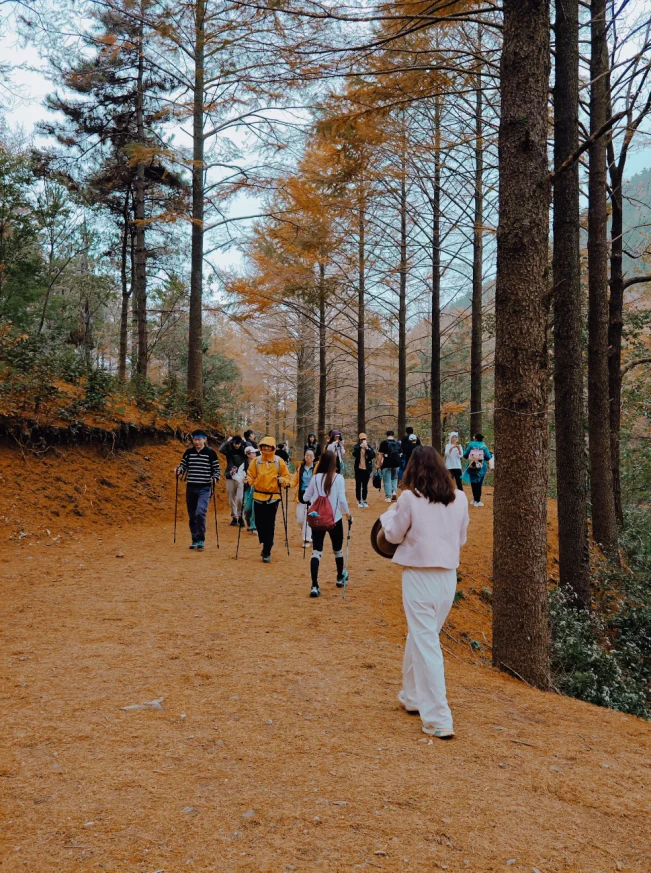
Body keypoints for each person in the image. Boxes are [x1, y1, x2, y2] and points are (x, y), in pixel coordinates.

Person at [380, 445, 469, 738]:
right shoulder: (459, 499)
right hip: (447, 578)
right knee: (421, 636)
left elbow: (392, 535)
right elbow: (462, 539)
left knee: (426, 641)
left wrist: (387, 515)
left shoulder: (409, 498)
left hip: (419, 576)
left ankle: (439, 718)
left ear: (413, 469)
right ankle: (412, 696)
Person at [303, 450, 352, 598]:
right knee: (338, 550)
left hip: (317, 518)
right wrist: (348, 514)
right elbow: (342, 499)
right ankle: (339, 577)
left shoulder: (315, 478)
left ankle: (314, 585)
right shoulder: (338, 478)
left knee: (316, 551)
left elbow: (306, 497)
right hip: (334, 519)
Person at [246, 436, 291, 562]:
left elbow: (287, 477)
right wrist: (248, 481)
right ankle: (265, 541)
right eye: (264, 446)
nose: (266, 448)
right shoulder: (256, 461)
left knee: (269, 523)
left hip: (273, 497)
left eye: (268, 446)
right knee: (259, 523)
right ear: (260, 447)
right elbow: (251, 475)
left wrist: (282, 480)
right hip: (258, 496)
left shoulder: (279, 461)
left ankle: (267, 550)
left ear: (273, 447)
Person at [176, 429, 221, 550]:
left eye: (199, 439)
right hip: (191, 485)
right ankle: (194, 539)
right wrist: (179, 470)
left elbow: (217, 470)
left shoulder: (211, 453)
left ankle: (201, 538)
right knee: (192, 514)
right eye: (195, 439)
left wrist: (215, 478)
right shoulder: (188, 452)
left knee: (200, 512)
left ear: (205, 439)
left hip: (205, 487)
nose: (197, 442)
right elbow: (183, 466)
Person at [219, 434, 247, 526]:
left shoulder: (243, 451)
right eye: (235, 443)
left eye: (238, 443)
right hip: (230, 476)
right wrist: (227, 441)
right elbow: (220, 449)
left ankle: (240, 516)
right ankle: (234, 517)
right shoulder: (229, 450)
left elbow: (251, 450)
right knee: (231, 499)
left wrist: (245, 441)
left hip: (241, 477)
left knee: (240, 498)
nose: (236, 445)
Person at [291, 447, 316, 545]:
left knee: (308, 518)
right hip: (301, 495)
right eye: (306, 455)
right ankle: (308, 532)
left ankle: (306, 540)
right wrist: (288, 484)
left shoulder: (316, 468)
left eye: (310, 456)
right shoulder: (300, 468)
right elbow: (295, 480)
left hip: (312, 495)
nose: (308, 457)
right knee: (300, 519)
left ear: (314, 458)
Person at [463, 433, 493, 507]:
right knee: (479, 484)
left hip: (472, 466)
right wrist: (491, 453)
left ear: (475, 438)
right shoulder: (484, 447)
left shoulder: (470, 445)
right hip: (481, 468)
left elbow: (465, 455)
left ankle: (474, 499)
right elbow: (488, 457)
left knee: (473, 483)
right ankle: (478, 500)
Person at [234, 445, 259, 533]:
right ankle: (248, 522)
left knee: (255, 506)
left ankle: (253, 525)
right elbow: (236, 475)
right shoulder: (243, 465)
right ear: (248, 454)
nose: (255, 454)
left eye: (255, 452)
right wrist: (242, 480)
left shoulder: (259, 463)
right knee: (248, 507)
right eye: (252, 453)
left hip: (257, 489)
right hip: (248, 489)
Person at [352, 433, 376, 508]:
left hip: (366, 469)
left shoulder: (369, 447)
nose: (363, 440)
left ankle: (364, 499)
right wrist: (360, 447)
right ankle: (359, 500)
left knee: (365, 485)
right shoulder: (357, 447)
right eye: (362, 439)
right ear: (359, 440)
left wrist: (367, 449)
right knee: (358, 485)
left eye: (364, 439)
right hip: (358, 469)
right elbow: (354, 453)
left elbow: (373, 455)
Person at [377, 429, 402, 502]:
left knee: (387, 481)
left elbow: (380, 454)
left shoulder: (383, 443)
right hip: (396, 464)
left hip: (386, 464)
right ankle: (394, 491)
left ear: (387, 435)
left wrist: (378, 464)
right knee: (394, 479)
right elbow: (401, 454)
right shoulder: (397, 443)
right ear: (393, 435)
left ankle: (388, 497)